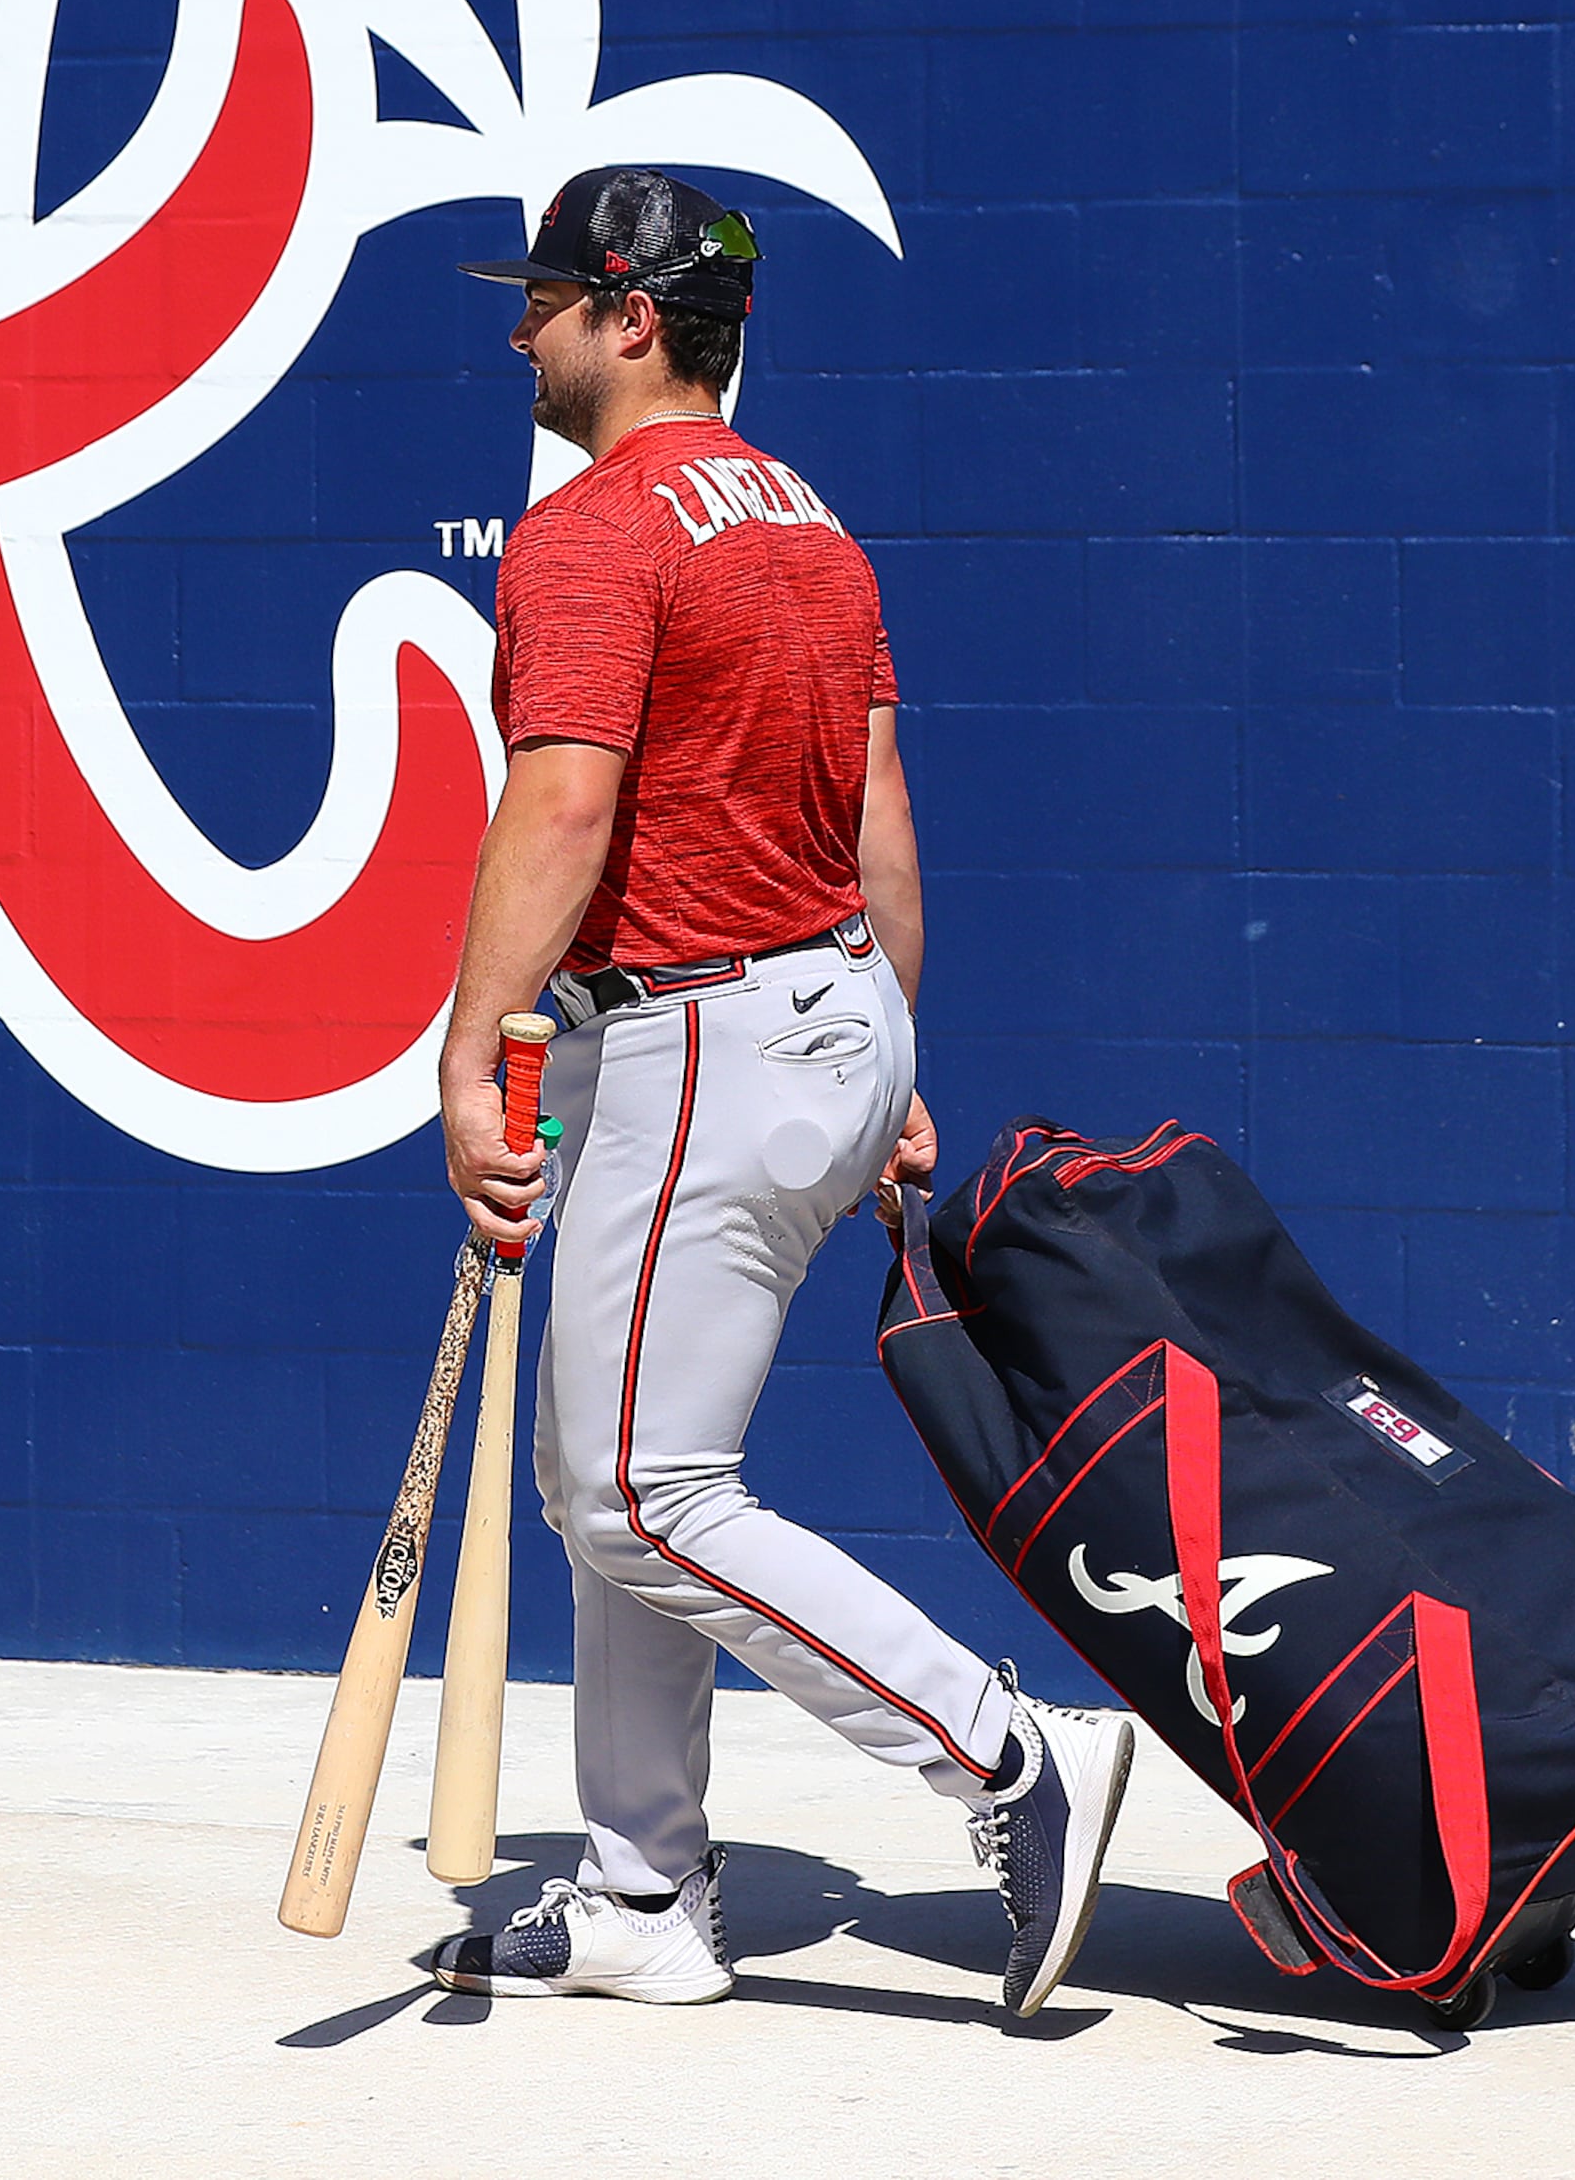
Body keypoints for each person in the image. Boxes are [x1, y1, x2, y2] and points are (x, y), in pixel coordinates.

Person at [422, 166, 1132, 2020]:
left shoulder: (593, 526)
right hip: (824, 1009)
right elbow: (878, 815)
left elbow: (565, 806)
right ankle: (648, 1890)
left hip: (707, 1034)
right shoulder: (811, 525)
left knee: (643, 1492)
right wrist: (892, 1052)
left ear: (631, 317)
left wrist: (469, 1040)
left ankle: (1000, 1749)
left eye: (550, 299)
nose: (522, 332)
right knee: (620, 1474)